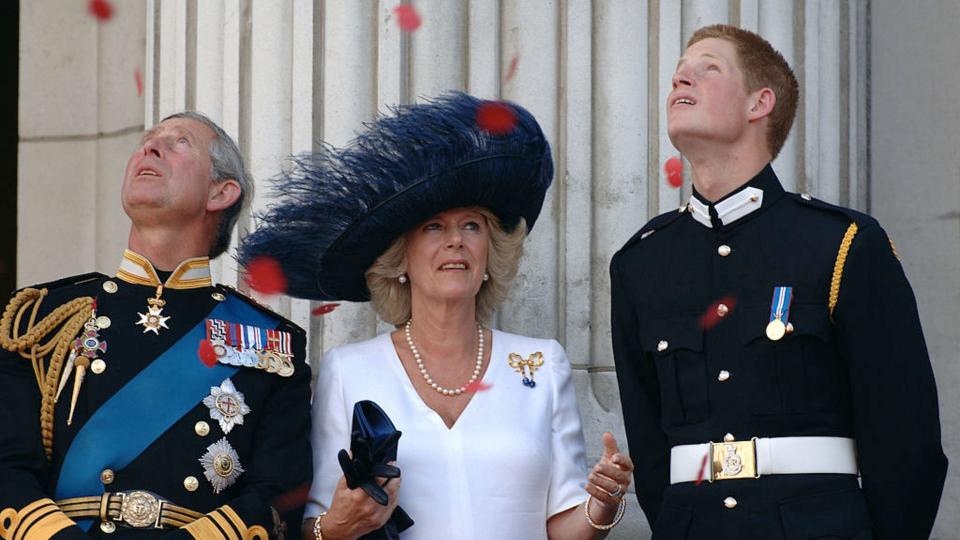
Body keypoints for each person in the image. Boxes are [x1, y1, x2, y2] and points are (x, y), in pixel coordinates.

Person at [239, 92, 634, 540]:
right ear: (400, 259)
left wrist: (603, 502)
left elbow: (564, 527)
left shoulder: (543, 365)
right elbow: (315, 523)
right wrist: (337, 524)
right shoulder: (348, 370)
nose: (456, 241)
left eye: (472, 225)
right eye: (434, 227)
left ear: (491, 253)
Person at [610, 24, 947, 540]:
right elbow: (654, 455)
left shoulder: (842, 244)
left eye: (709, 67)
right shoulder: (640, 262)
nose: (681, 76)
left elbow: (906, 441)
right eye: (680, 69)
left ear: (759, 102)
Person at [0, 112, 313, 539]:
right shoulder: (42, 320)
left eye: (179, 141)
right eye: (148, 140)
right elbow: (7, 465)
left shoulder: (270, 344)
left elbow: (279, 495)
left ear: (221, 192)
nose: (149, 147)